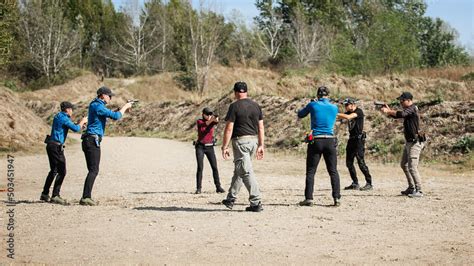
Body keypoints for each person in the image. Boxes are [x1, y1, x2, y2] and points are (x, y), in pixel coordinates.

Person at [80, 87, 132, 206]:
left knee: (92, 170)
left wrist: (120, 109)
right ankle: (85, 197)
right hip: (92, 140)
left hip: (90, 139)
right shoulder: (97, 106)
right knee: (94, 170)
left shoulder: (96, 105)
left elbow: (110, 114)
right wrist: (125, 107)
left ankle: (86, 196)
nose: (110, 98)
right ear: (102, 95)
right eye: (109, 96)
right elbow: (116, 116)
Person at [221, 81, 265, 212]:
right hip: (253, 141)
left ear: (235, 92)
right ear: (246, 92)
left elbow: (229, 128)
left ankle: (256, 202)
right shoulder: (256, 106)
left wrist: (224, 146)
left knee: (245, 171)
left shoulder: (234, 106)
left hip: (241, 142)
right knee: (240, 169)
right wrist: (261, 145)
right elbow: (261, 127)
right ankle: (230, 198)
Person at [297, 86, 341, 207]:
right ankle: (336, 197)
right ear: (328, 95)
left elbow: (300, 114)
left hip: (316, 140)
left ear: (317, 95)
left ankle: (309, 198)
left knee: (311, 171)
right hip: (330, 140)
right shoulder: (334, 107)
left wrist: (310, 104)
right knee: (333, 171)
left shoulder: (313, 105)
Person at [41, 102, 88, 205]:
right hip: (56, 147)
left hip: (51, 145)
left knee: (53, 170)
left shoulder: (59, 116)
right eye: (71, 109)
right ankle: (55, 195)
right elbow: (75, 129)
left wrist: (79, 124)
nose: (72, 111)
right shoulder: (64, 118)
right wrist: (83, 121)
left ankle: (45, 193)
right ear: (67, 109)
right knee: (62, 171)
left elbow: (71, 126)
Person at [381, 92, 426, 198]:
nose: (400, 102)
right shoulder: (409, 109)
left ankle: (419, 190)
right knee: (404, 164)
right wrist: (389, 112)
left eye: (402, 100)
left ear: (409, 100)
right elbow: (398, 116)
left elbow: (402, 114)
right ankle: (411, 188)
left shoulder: (413, 108)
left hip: (415, 142)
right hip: (409, 142)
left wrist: (389, 111)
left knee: (412, 167)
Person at [337, 98, 373, 191]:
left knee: (361, 162)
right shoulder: (348, 112)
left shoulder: (359, 111)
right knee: (349, 163)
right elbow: (341, 117)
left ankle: (369, 183)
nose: (345, 107)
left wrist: (334, 113)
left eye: (346, 105)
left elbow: (348, 117)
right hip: (351, 139)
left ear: (352, 104)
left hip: (359, 140)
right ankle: (355, 183)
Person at [194, 107, 225, 194]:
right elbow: (205, 124)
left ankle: (218, 187)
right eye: (207, 114)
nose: (209, 116)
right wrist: (212, 119)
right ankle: (198, 188)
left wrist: (216, 118)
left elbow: (217, 121)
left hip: (210, 147)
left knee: (214, 167)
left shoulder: (212, 121)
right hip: (200, 147)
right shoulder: (199, 121)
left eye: (210, 114)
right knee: (200, 167)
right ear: (203, 114)